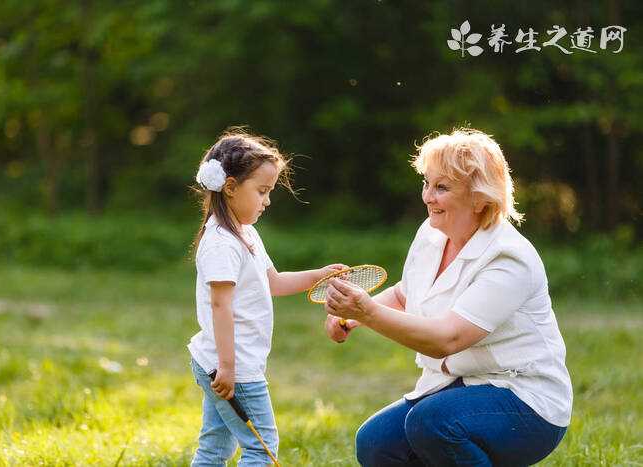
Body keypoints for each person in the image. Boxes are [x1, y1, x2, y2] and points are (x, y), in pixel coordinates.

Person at [324, 128, 572, 466]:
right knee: (375, 443)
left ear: (480, 197)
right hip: (457, 386)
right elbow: (405, 293)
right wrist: (350, 316)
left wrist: (366, 311)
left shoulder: (509, 258)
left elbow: (447, 339)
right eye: (426, 183)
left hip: (527, 403)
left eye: (442, 187)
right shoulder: (431, 234)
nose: (428, 196)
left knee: (431, 422)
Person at [188, 129, 345, 466]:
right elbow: (221, 306)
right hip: (233, 368)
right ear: (230, 188)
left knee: (215, 448)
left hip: (224, 364)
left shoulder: (246, 234)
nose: (267, 201)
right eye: (262, 191)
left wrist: (319, 275)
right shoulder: (221, 243)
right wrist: (228, 368)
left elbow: (273, 282)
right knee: (262, 447)